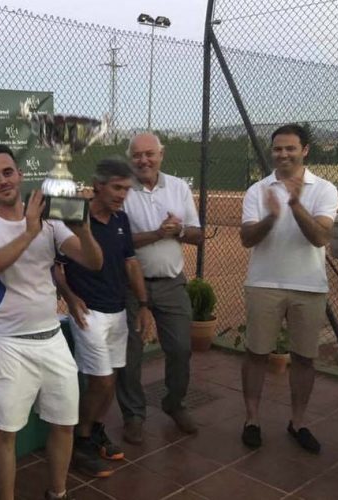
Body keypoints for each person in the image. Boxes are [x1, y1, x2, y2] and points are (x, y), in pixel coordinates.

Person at [0, 144, 103, 500]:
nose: (3, 181)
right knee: (5, 433)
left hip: (53, 337)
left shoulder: (52, 221)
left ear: (20, 175)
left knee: (64, 424)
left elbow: (93, 261)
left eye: (7, 172)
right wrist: (28, 231)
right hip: (10, 343)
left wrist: (82, 229)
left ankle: (58, 492)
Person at [239, 124, 338, 454]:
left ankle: (298, 422)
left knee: (305, 359)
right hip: (263, 284)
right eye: (278, 149)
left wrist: (295, 204)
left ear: (305, 150)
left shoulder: (324, 190)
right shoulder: (258, 190)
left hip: (309, 287)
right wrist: (271, 216)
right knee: (256, 355)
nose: (283, 154)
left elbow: (320, 237)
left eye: (290, 148)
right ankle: (252, 419)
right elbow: (247, 238)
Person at [53, 158, 152, 477]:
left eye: (127, 189)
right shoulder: (70, 214)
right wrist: (69, 296)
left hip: (118, 311)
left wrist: (143, 303)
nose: (123, 194)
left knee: (110, 382)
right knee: (102, 380)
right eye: (117, 187)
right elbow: (53, 264)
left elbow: (131, 263)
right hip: (88, 313)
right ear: (97, 185)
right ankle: (80, 441)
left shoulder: (121, 219)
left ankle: (94, 430)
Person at [116, 132, 203, 444]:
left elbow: (197, 234)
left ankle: (174, 403)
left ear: (161, 155)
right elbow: (118, 241)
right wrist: (156, 233)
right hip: (129, 286)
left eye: (149, 154)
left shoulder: (178, 187)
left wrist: (177, 229)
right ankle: (134, 415)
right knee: (131, 353)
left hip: (171, 283)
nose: (144, 160)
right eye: (137, 155)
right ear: (130, 159)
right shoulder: (122, 190)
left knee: (180, 348)